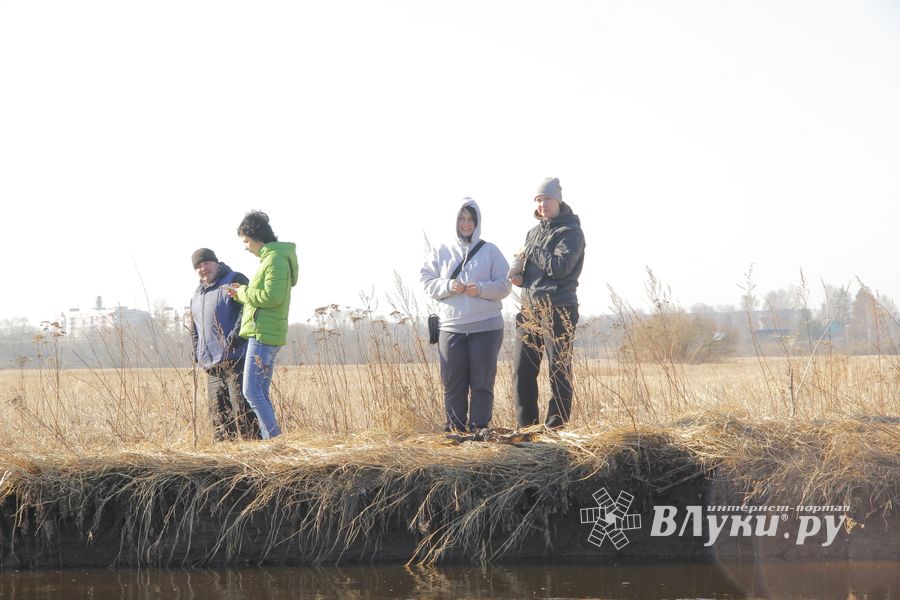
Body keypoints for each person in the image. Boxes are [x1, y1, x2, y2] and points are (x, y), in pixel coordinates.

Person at [421, 198, 511, 432]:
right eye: (462, 218)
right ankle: (455, 431)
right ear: (454, 221)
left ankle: (479, 430)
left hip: (487, 327)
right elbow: (426, 282)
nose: (466, 223)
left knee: (482, 383)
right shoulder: (441, 250)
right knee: (453, 383)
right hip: (451, 327)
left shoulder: (490, 250)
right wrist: (448, 285)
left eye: (471, 219)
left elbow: (505, 285)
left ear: (477, 221)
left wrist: (480, 289)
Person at [509, 177, 585, 429]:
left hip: (558, 309)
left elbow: (560, 267)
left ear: (558, 200)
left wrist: (531, 251)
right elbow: (537, 272)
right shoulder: (534, 232)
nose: (542, 204)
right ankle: (527, 430)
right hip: (529, 310)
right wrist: (521, 279)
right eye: (539, 200)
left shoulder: (571, 232)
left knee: (558, 370)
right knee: (522, 371)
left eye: (547, 199)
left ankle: (555, 428)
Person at [225, 211, 298, 439]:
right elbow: (266, 298)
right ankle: (272, 440)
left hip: (263, 334)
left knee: (251, 391)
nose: (245, 247)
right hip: (265, 332)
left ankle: (275, 440)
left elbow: (272, 297)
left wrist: (243, 292)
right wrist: (240, 294)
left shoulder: (275, 260)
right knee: (260, 392)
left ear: (257, 238)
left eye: (246, 241)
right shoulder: (272, 259)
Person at [189, 248, 260, 441]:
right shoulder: (197, 295)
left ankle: (254, 448)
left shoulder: (234, 280)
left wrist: (236, 336)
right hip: (212, 364)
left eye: (206, 263)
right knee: (219, 414)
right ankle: (224, 453)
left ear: (216, 263)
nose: (203, 268)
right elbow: (194, 326)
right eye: (198, 266)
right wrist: (197, 352)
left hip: (238, 358)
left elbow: (249, 308)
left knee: (242, 408)